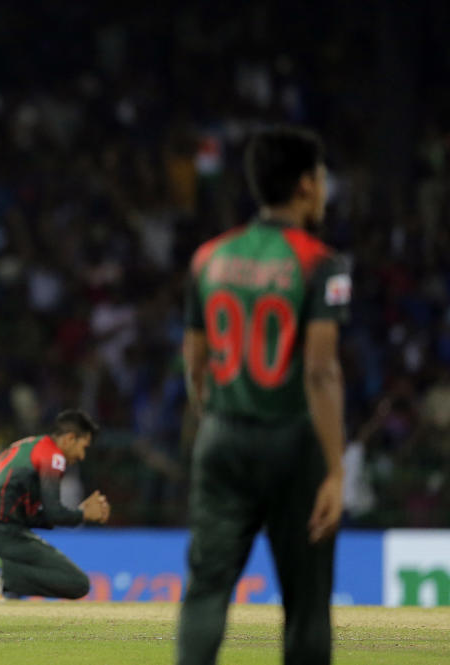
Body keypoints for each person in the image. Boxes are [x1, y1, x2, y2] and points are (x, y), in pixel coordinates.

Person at [176, 126, 349, 665]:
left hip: (222, 438)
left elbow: (195, 362)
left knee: (206, 591)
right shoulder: (323, 264)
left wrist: (215, 420)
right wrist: (336, 470)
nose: (324, 189)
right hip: (292, 440)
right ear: (303, 186)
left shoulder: (209, 258)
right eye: (320, 179)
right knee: (306, 604)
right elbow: (320, 373)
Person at [0, 409, 110, 603]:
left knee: (30, 567)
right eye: (83, 446)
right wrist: (83, 514)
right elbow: (55, 513)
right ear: (69, 439)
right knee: (77, 583)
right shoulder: (53, 456)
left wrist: (79, 513)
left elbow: (33, 516)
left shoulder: (28, 446)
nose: (82, 456)